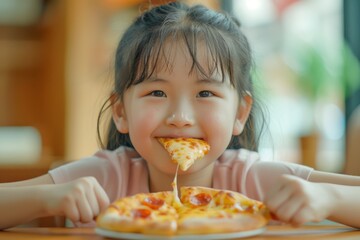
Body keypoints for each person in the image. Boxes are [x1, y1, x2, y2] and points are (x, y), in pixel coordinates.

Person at [0, 1, 360, 230]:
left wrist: (329, 198)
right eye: (156, 92)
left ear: (240, 113)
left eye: (205, 93)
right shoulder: (105, 177)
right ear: (121, 112)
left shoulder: (254, 181)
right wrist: (47, 197)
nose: (180, 116)